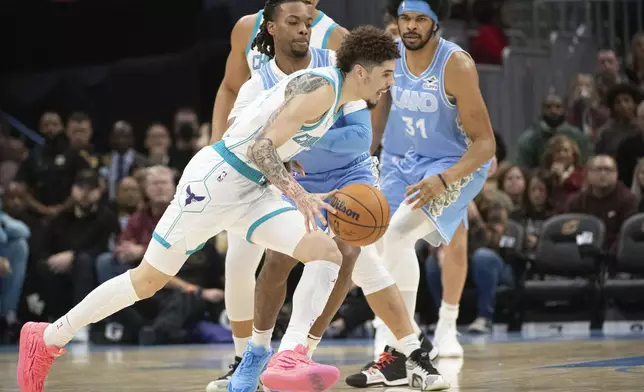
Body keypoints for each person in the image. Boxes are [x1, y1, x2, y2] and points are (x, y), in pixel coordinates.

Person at [16, 26, 437, 392]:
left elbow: (270, 137)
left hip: (254, 190)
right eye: (385, 74)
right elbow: (259, 145)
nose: (388, 84)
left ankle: (289, 356)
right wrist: (301, 193)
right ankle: (49, 336)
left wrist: (292, 169)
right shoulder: (323, 90)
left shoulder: (337, 97)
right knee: (147, 280)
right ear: (361, 70)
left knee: (326, 250)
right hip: (215, 182)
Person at [206, 2, 443, 391]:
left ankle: (298, 351)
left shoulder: (335, 66)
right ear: (273, 28)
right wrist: (283, 150)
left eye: (308, 22)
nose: (303, 28)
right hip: (290, 181)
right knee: (283, 259)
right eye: (294, 22)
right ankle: (256, 356)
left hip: (350, 175)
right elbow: (246, 141)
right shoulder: (258, 82)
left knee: (348, 251)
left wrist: (293, 138)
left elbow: (359, 139)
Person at [351, 0, 496, 384]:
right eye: (405, 19)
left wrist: (445, 179)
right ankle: (398, 343)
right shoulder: (391, 57)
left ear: (435, 23)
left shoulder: (455, 65)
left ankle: (404, 348)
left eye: (419, 19)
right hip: (402, 160)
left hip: (451, 164)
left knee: (401, 235)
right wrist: (362, 161)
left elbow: (485, 143)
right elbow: (378, 115)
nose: (411, 26)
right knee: (379, 241)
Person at [210, 0, 346, 143]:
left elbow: (366, 104)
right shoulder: (247, 28)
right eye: (293, 22)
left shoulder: (336, 39)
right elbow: (231, 88)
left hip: (314, 150)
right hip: (261, 145)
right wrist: (215, 143)